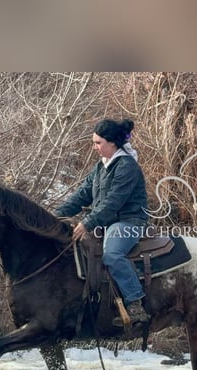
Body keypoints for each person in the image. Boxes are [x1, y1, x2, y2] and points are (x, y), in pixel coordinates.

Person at [54, 118, 150, 327]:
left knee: (112, 254)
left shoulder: (127, 166)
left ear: (112, 143)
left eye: (98, 143)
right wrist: (53, 217)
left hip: (129, 222)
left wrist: (87, 223)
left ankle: (135, 304)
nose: (94, 147)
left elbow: (113, 203)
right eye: (94, 142)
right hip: (107, 222)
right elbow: (81, 196)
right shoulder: (100, 167)